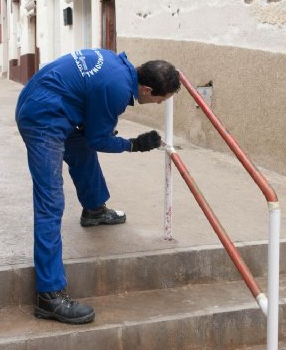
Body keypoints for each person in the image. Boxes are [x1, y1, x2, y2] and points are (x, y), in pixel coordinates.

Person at [15, 48, 180, 325]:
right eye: (161, 100)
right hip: (42, 119)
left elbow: (90, 126)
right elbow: (98, 140)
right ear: (148, 90)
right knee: (50, 203)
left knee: (79, 150)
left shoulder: (117, 65)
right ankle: (49, 295)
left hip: (48, 103)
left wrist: (99, 128)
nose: (159, 105)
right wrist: (134, 145)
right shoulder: (116, 90)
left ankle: (94, 210)